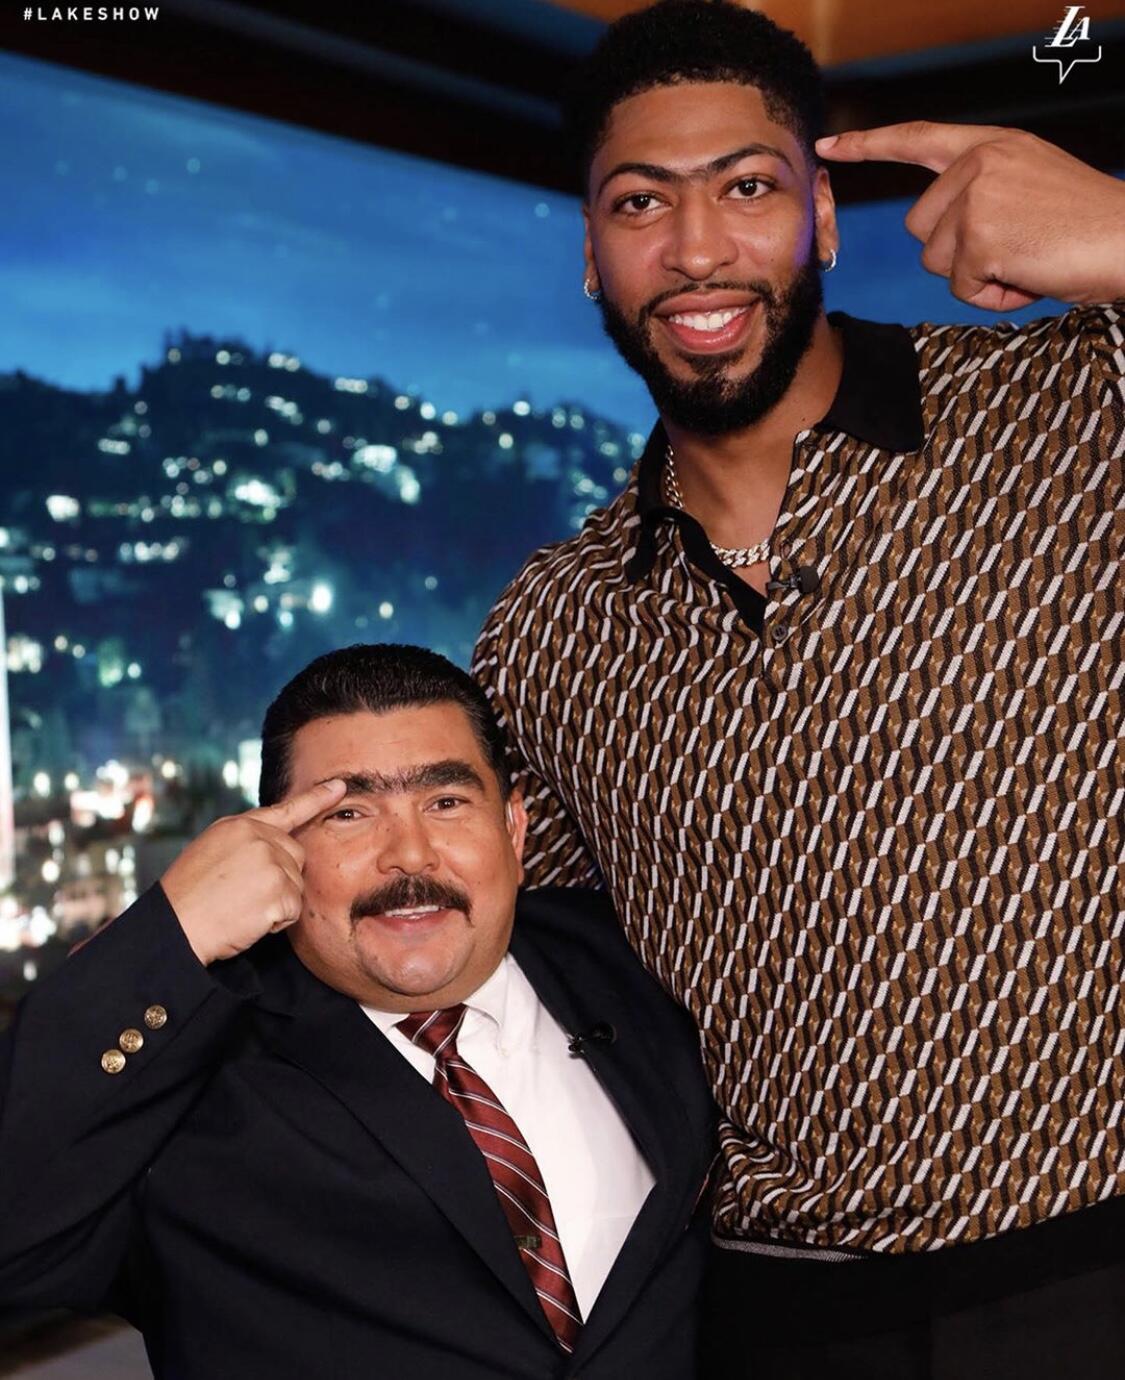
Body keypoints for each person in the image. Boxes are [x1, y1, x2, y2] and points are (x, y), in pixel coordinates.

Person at [470, 2, 1125, 1375]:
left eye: (748, 188)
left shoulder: (1075, 409)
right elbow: (523, 989)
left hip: (1093, 1274)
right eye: (640, 202)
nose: (696, 250)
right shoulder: (549, 631)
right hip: (772, 1315)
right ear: (591, 254)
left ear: (823, 219)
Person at [0, 644, 715, 1380]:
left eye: (446, 802)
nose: (410, 855)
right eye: (349, 813)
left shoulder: (645, 959)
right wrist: (173, 934)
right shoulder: (192, 1078)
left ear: (514, 828)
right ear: (276, 851)